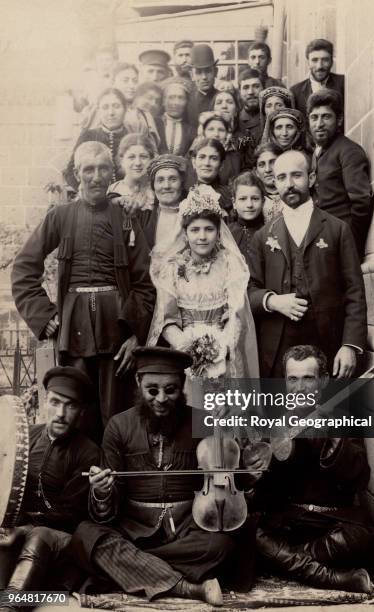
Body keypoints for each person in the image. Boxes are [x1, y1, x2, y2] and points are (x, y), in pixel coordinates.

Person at [70, 347, 261, 606]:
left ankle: (134, 567)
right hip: (134, 529)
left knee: (222, 544)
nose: (161, 398)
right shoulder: (118, 425)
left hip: (188, 528)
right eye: (152, 390)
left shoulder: (202, 421)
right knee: (85, 534)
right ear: (138, 383)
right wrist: (102, 492)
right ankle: (189, 587)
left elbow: (227, 480)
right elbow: (108, 512)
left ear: (182, 386)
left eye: (170, 390)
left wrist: (233, 441)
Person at [12, 142, 156, 439]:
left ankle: (114, 481)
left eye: (103, 168)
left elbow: (145, 282)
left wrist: (135, 334)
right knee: (76, 413)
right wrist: (43, 314)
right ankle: (78, 480)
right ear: (77, 174)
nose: (96, 176)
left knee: (117, 415)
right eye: (88, 169)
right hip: (72, 329)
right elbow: (24, 268)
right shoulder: (60, 216)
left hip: (116, 330)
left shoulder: (125, 217)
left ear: (112, 172)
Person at [254, 344, 374, 594]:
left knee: (360, 538)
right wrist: (256, 475)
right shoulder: (275, 423)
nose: (300, 388)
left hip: (330, 523)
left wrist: (327, 434)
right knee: (246, 529)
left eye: (308, 378)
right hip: (290, 523)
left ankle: (290, 561)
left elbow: (359, 478)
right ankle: (331, 577)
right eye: (292, 379)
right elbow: (265, 493)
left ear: (323, 381)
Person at [247, 149, 367, 378]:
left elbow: (355, 292)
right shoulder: (263, 236)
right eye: (281, 177)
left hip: (328, 344)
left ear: (311, 178)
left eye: (296, 175)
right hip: (276, 350)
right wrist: (272, 301)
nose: (289, 184)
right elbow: (248, 290)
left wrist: (350, 344)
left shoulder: (337, 229)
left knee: (328, 412)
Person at [0, 367, 100, 605]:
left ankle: (11, 605)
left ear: (82, 412)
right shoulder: (26, 437)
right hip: (19, 530)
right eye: (55, 402)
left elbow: (70, 515)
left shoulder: (88, 452)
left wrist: (25, 527)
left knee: (38, 535)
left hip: (60, 541)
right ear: (45, 401)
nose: (61, 413)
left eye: (71, 405)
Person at [148, 186, 259, 387]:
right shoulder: (173, 268)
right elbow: (167, 320)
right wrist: (188, 348)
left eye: (209, 229)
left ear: (218, 232)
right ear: (185, 233)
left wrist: (221, 346)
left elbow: (237, 313)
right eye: (195, 230)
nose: (202, 236)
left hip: (224, 351)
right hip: (186, 354)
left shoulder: (229, 263)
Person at [308, 89, 374, 261]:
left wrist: (351, 245)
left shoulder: (349, 151)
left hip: (341, 244)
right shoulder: (318, 153)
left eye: (326, 117)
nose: (319, 124)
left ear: (339, 120)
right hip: (322, 241)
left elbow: (361, 202)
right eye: (314, 117)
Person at [64, 88, 129, 190]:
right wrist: (87, 193)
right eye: (105, 107)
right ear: (98, 110)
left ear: (125, 109)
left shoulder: (133, 138)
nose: (111, 112)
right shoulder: (88, 136)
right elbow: (69, 171)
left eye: (116, 106)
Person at [81, 63, 160, 147]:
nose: (131, 85)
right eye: (125, 81)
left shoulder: (143, 115)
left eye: (135, 81)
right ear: (113, 82)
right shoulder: (98, 110)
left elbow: (152, 149)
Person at [140, 154, 188, 253]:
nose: (166, 186)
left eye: (173, 179)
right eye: (160, 180)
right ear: (153, 186)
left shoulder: (193, 214)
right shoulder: (144, 216)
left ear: (182, 183)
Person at [290, 39, 345, 120]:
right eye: (314, 60)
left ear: (332, 62)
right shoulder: (295, 92)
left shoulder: (344, 83)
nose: (319, 66)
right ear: (307, 63)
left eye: (325, 60)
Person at [108, 133, 156, 213]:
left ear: (151, 160)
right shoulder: (112, 191)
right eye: (131, 157)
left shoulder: (157, 192)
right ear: (122, 161)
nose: (138, 163)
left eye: (143, 157)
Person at [188, 137, 232, 213]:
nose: (207, 163)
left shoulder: (229, 196)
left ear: (221, 165)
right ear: (194, 162)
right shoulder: (187, 193)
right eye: (202, 157)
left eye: (213, 158)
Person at [229, 171, 266, 260]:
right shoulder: (227, 233)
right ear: (234, 203)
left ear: (263, 202)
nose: (249, 204)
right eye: (242, 199)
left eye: (255, 198)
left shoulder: (268, 233)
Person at [155, 77, 196, 156]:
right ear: (163, 101)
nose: (176, 103)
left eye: (181, 98)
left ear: (186, 102)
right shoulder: (154, 124)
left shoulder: (191, 130)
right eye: (171, 97)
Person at [188, 44, 219, 127]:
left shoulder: (223, 99)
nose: (204, 77)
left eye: (208, 71)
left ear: (215, 72)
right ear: (192, 75)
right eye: (198, 72)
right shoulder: (187, 100)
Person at [253, 142, 282, 222]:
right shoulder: (254, 199)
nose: (267, 170)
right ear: (256, 172)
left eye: (272, 162)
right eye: (262, 165)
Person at [238, 68, 264, 147]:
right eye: (245, 88)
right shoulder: (235, 121)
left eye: (256, 86)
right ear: (239, 92)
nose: (251, 92)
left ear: (264, 89)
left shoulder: (271, 119)